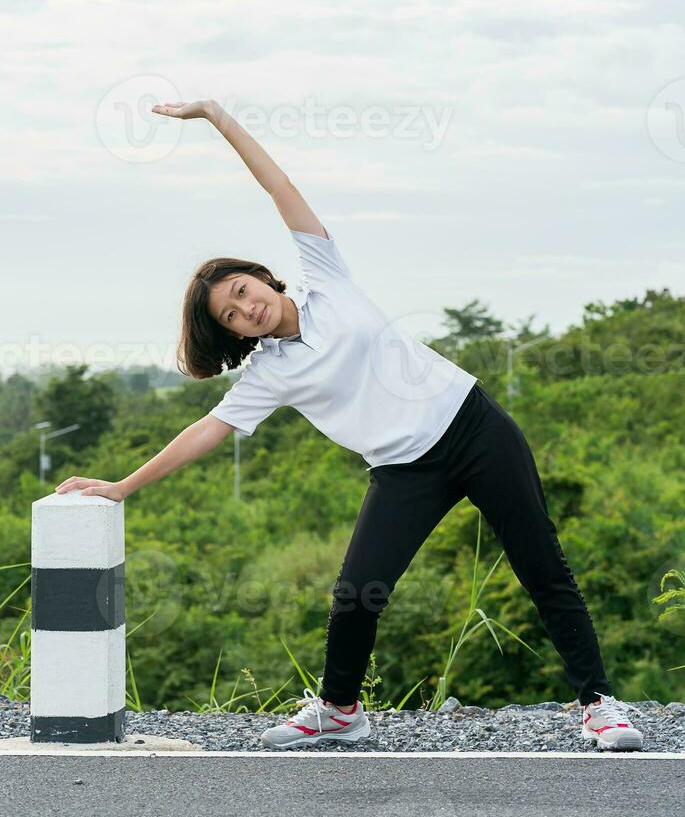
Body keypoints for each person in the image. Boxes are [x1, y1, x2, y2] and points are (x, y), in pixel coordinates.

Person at [55, 98, 645, 754]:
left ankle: (599, 706)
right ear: (228, 331)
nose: (245, 309)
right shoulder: (268, 372)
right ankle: (339, 710)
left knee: (542, 567)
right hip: (403, 469)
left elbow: (278, 186)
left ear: (260, 275)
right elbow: (208, 431)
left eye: (242, 291)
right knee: (356, 592)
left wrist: (217, 117)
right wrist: (123, 486)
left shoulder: (325, 278)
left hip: (473, 427)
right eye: (229, 315)